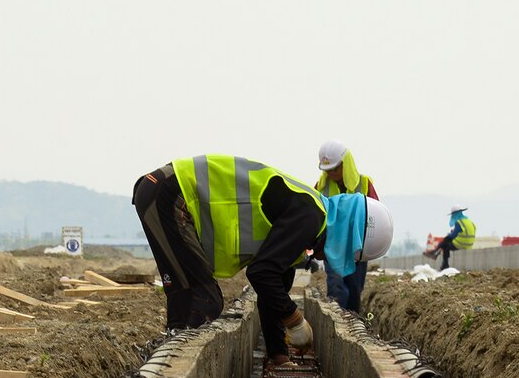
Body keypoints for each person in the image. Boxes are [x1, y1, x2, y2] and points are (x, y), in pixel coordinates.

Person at [132, 155, 394, 362]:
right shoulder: (310, 215)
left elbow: (273, 289)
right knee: (200, 300)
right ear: (349, 235)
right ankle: (167, 369)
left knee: (198, 299)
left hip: (169, 194)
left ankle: (171, 355)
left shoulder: (307, 228)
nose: (329, 258)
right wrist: (294, 319)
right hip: (171, 194)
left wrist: (278, 354)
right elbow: (260, 273)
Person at [316, 140, 380, 311]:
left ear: (346, 164)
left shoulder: (364, 184)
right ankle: (336, 322)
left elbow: (375, 216)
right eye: (327, 170)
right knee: (336, 287)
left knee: (354, 290)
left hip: (357, 249)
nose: (331, 173)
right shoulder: (320, 188)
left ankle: (353, 322)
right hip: (333, 248)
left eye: (335, 169)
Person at [429, 205, 476, 271]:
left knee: (446, 243)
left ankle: (444, 263)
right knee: (446, 241)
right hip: (469, 245)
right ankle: (436, 252)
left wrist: (448, 236)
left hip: (461, 244)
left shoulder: (459, 222)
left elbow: (453, 235)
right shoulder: (469, 221)